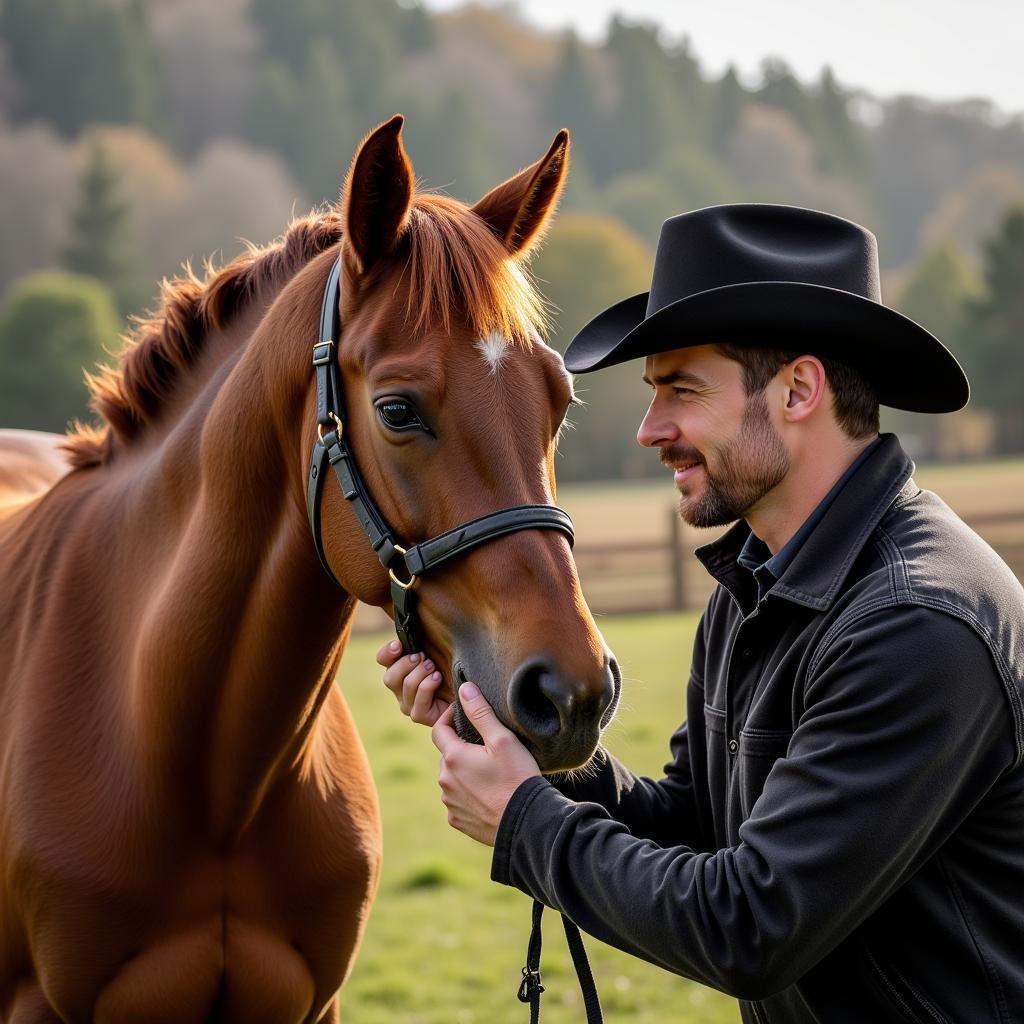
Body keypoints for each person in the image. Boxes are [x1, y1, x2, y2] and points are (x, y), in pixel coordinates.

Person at [377, 204, 1024, 1022]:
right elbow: (693, 826)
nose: (651, 431)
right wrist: (509, 736)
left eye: (680, 390)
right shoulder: (757, 585)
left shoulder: (918, 625)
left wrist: (525, 824)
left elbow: (750, 927)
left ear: (798, 389)